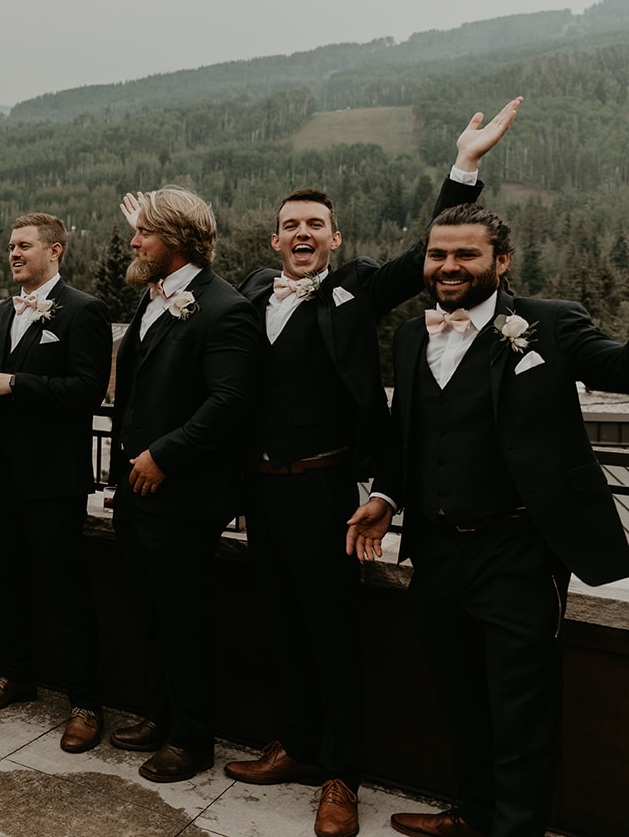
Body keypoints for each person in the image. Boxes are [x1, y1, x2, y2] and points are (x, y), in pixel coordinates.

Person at [226, 102, 512, 836]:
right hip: (260, 489)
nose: (302, 234)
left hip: (327, 490)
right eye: (291, 224)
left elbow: (429, 250)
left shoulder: (355, 290)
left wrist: (465, 168)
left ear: (334, 238)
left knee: (331, 634)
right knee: (282, 627)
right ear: (274, 237)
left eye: (315, 225)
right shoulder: (253, 292)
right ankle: (298, 742)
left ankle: (341, 776)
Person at [347, 204, 629, 837]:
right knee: (461, 700)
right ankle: (472, 815)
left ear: (502, 262)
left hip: (520, 551)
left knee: (522, 714)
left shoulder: (550, 324)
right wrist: (387, 498)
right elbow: (410, 437)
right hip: (438, 552)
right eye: (437, 255)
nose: (448, 267)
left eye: (466, 254)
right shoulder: (413, 334)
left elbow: (621, 365)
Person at [110, 187, 260, 782]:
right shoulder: (156, 298)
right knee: (149, 610)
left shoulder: (223, 308)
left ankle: (193, 739)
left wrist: (164, 456)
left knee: (183, 617)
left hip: (183, 496)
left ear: (174, 240)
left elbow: (230, 402)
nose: (132, 240)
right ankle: (159, 714)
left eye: (143, 232)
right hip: (137, 493)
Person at [0, 213, 112, 752]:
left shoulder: (84, 310)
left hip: (53, 483)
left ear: (56, 250)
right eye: (10, 246)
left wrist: (16, 384)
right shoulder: (2, 312)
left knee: (64, 590)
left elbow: (86, 390)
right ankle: (17, 675)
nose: (14, 253)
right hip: (1, 476)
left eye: (24, 245)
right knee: (4, 583)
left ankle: (86, 703)